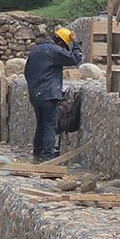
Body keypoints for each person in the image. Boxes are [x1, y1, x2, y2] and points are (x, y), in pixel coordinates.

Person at [24, 25, 82, 160]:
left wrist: (33, 87)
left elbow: (27, 72)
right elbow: (75, 59)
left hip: (35, 94)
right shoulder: (55, 50)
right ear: (61, 42)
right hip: (49, 95)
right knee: (50, 125)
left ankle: (37, 155)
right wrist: (76, 43)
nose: (63, 49)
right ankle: (47, 157)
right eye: (64, 46)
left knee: (40, 125)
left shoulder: (35, 50)